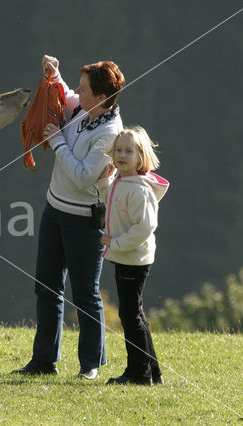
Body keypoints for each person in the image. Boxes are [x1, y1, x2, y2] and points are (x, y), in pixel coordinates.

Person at [13, 55, 125, 378]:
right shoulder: (83, 107)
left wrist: (57, 141)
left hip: (84, 219)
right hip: (55, 210)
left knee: (86, 294)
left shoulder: (109, 132)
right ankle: (44, 360)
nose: (77, 91)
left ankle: (90, 365)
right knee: (46, 286)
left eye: (84, 88)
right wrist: (55, 73)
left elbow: (81, 176)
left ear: (101, 99)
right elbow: (66, 93)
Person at [97, 127, 169, 385]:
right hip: (126, 257)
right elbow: (112, 202)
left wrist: (116, 243)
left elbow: (145, 226)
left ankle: (139, 373)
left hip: (133, 259)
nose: (122, 155)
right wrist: (105, 182)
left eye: (129, 151)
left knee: (130, 316)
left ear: (142, 156)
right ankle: (153, 372)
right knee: (134, 313)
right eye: (118, 150)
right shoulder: (121, 181)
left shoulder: (139, 189)